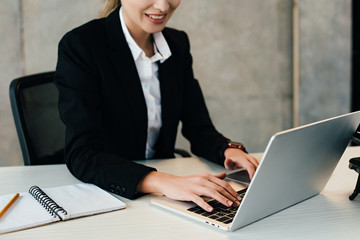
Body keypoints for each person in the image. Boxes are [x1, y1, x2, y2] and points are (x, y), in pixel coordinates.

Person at [55, 0, 259, 212]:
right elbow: (83, 154)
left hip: (162, 199)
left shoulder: (176, 44)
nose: (162, 6)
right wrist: (164, 182)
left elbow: (199, 128)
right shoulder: (81, 45)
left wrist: (226, 150)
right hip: (109, 196)